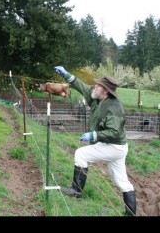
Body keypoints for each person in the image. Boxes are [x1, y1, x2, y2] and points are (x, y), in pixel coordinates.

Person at [54, 66, 136, 216]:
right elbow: (83, 87)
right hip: (116, 147)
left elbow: (114, 132)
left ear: (105, 90)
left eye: (98, 85)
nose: (95, 86)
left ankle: (76, 190)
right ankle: (130, 214)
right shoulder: (98, 98)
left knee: (81, 154)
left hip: (114, 146)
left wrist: (94, 136)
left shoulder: (114, 108)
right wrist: (67, 75)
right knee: (121, 183)